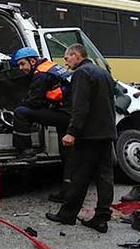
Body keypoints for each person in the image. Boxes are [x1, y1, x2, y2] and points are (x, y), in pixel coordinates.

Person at [46, 43, 116, 233]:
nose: (66, 63)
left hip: (88, 135)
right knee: (104, 177)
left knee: (79, 175)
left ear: (77, 55)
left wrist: (72, 132)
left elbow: (80, 107)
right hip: (106, 132)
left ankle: (67, 215)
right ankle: (101, 218)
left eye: (67, 58)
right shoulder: (102, 73)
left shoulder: (81, 74)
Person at [10, 47, 72, 202]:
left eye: (22, 64)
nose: (21, 68)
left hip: (64, 114)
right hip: (68, 113)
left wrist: (17, 107)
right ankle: (68, 192)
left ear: (32, 61)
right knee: (67, 155)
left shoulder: (41, 74)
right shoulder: (48, 66)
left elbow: (35, 102)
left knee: (21, 112)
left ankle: (26, 151)